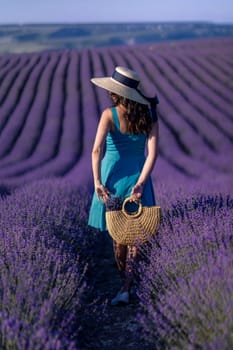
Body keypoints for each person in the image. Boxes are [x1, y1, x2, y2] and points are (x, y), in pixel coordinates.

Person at [88, 66, 159, 306]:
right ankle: (129, 285)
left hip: (113, 178)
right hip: (139, 178)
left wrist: (97, 181)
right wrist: (140, 183)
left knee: (118, 235)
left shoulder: (109, 114)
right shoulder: (149, 117)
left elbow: (96, 150)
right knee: (137, 235)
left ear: (117, 93)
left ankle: (124, 286)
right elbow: (152, 154)